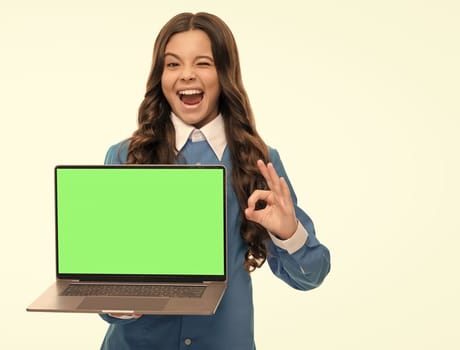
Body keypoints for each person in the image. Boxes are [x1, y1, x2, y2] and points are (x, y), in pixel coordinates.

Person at [100, 12, 331, 349]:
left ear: (224, 73)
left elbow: (312, 275)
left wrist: (287, 232)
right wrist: (118, 303)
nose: (187, 75)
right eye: (173, 64)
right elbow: (105, 288)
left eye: (203, 63)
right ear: (160, 76)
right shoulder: (124, 157)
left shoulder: (259, 161)